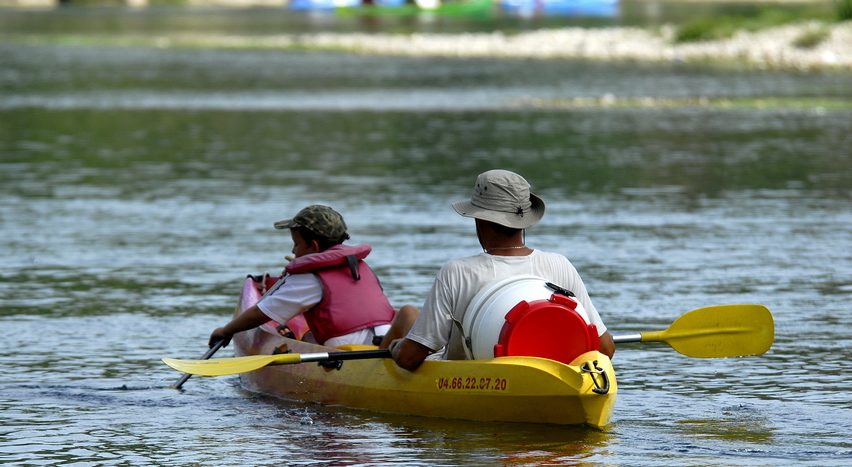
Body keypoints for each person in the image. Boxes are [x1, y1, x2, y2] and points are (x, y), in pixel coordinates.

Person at [382, 169, 615, 370]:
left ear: (480, 221)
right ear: (524, 222)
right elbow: (605, 348)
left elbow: (410, 358)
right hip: (552, 377)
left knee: (405, 320)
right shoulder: (559, 265)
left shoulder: (457, 272)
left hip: (472, 382)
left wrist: (395, 347)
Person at [208, 205, 396, 350]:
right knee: (309, 336)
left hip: (349, 352)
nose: (293, 250)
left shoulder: (309, 277)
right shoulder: (360, 267)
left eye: (296, 244)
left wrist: (227, 330)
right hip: (385, 340)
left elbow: (260, 313)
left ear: (313, 246)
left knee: (308, 338)